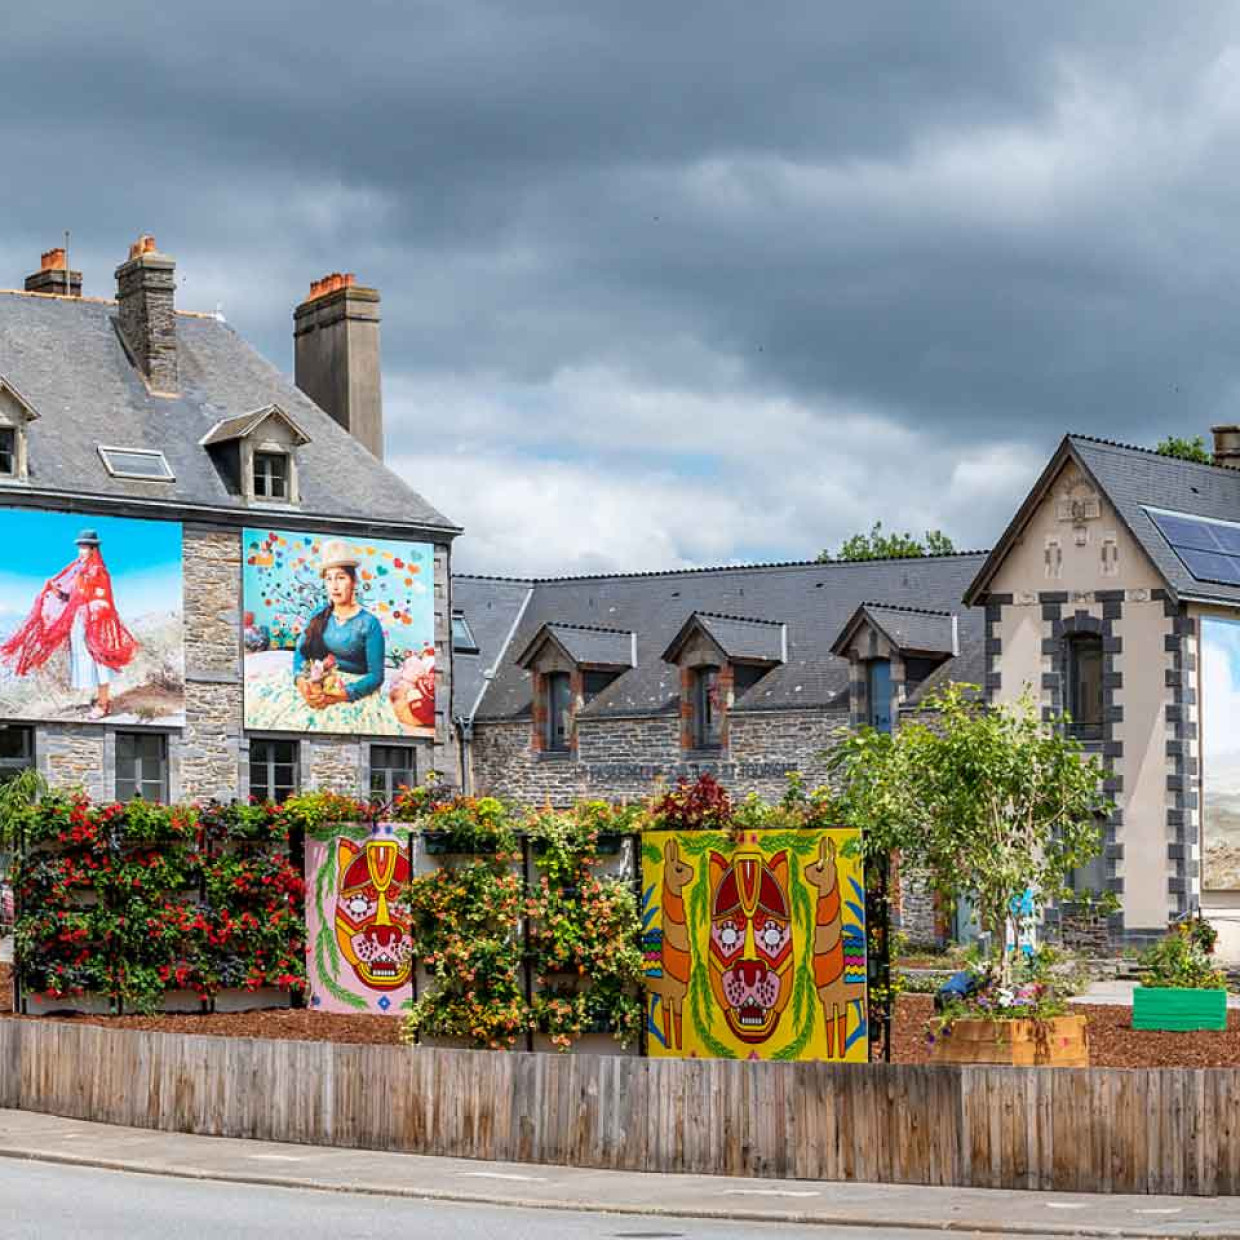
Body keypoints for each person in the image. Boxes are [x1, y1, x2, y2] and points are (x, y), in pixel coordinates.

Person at [0, 528, 138, 719]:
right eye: (80, 546)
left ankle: (103, 704)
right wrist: (58, 593)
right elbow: (74, 598)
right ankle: (101, 698)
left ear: (93, 549)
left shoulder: (98, 572)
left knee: (99, 660)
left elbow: (102, 598)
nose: (81, 550)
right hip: (80, 622)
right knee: (89, 660)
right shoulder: (78, 571)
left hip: (94, 622)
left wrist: (90, 608)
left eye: (85, 546)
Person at [294, 540, 386, 709]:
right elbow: (301, 651)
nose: (334, 586)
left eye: (341, 578)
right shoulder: (318, 614)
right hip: (318, 681)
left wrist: (341, 695)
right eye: (329, 579)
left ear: (353, 581)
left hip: (352, 689)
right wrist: (302, 683)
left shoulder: (370, 623)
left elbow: (376, 676)